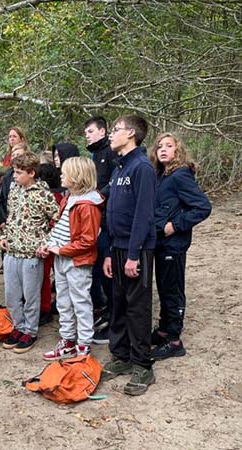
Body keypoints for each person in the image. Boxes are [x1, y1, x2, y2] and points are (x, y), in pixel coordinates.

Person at [101, 114, 156, 396]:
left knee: (138, 307)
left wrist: (133, 255)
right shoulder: (119, 168)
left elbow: (144, 216)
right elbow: (112, 211)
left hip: (137, 251)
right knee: (119, 304)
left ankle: (142, 365)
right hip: (117, 248)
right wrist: (111, 252)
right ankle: (120, 356)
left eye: (115, 130)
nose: (111, 135)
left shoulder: (142, 167)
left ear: (131, 133)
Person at [149, 133, 211, 360]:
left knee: (172, 289)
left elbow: (202, 207)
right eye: (159, 147)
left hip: (173, 243)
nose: (163, 150)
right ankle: (164, 329)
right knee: (164, 286)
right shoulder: (160, 175)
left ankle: (174, 340)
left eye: (168, 146)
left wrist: (175, 226)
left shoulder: (180, 175)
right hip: (159, 242)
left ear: (178, 150)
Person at [38, 157, 103, 361]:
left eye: (65, 173)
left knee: (80, 302)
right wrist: (48, 245)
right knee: (64, 302)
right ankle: (67, 340)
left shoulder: (88, 204)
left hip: (77, 262)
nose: (61, 176)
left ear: (76, 177)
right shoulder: (68, 198)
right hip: (61, 259)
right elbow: (59, 227)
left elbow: (88, 240)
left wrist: (62, 250)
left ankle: (84, 344)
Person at [0, 153, 59, 354]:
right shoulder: (14, 190)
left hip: (31, 255)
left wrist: (46, 242)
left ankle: (30, 331)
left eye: (18, 172)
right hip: (12, 252)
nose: (14, 176)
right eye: (14, 171)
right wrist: (5, 236)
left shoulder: (43, 194)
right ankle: (18, 326)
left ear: (31, 173)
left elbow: (58, 220)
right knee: (12, 295)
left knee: (31, 295)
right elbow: (11, 216)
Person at [84, 116, 117, 345]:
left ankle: (115, 316)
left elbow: (114, 181)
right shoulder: (94, 154)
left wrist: (98, 196)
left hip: (107, 218)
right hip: (96, 216)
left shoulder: (111, 152)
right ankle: (107, 309)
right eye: (85, 131)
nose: (87, 135)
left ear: (103, 131)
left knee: (107, 269)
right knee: (98, 268)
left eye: (91, 131)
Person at [0, 142, 29, 275]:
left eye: (18, 155)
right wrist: (3, 220)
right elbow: (1, 199)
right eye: (13, 155)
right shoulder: (7, 176)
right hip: (8, 220)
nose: (15, 157)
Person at [38, 150, 63, 326]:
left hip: (50, 243)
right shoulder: (60, 196)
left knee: (45, 277)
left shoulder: (51, 198)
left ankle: (45, 308)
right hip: (54, 242)